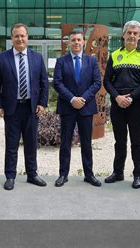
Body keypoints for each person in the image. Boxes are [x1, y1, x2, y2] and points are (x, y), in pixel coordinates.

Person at [0, 23, 49, 190]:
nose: (20, 39)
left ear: (27, 38)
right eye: (16, 36)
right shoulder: (2, 58)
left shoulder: (37, 58)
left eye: (22, 36)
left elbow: (43, 83)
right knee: (11, 144)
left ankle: (32, 174)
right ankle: (10, 176)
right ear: (11, 39)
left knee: (31, 143)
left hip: (31, 108)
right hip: (12, 108)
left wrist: (42, 103)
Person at [103, 20, 140, 189]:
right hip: (118, 104)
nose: (131, 35)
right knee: (119, 140)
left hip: (137, 104)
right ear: (123, 35)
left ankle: (138, 174)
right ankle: (118, 172)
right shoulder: (115, 54)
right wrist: (117, 97)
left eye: (135, 33)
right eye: (129, 32)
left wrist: (131, 97)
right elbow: (107, 81)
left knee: (136, 141)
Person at [53, 30, 102, 187]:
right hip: (68, 107)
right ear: (68, 43)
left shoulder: (91, 61)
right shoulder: (61, 61)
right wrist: (72, 99)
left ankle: (89, 174)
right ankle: (63, 174)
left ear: (83, 42)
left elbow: (96, 82)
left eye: (78, 40)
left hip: (86, 108)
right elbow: (58, 83)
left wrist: (83, 99)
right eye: (72, 40)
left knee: (86, 143)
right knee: (65, 142)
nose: (76, 42)